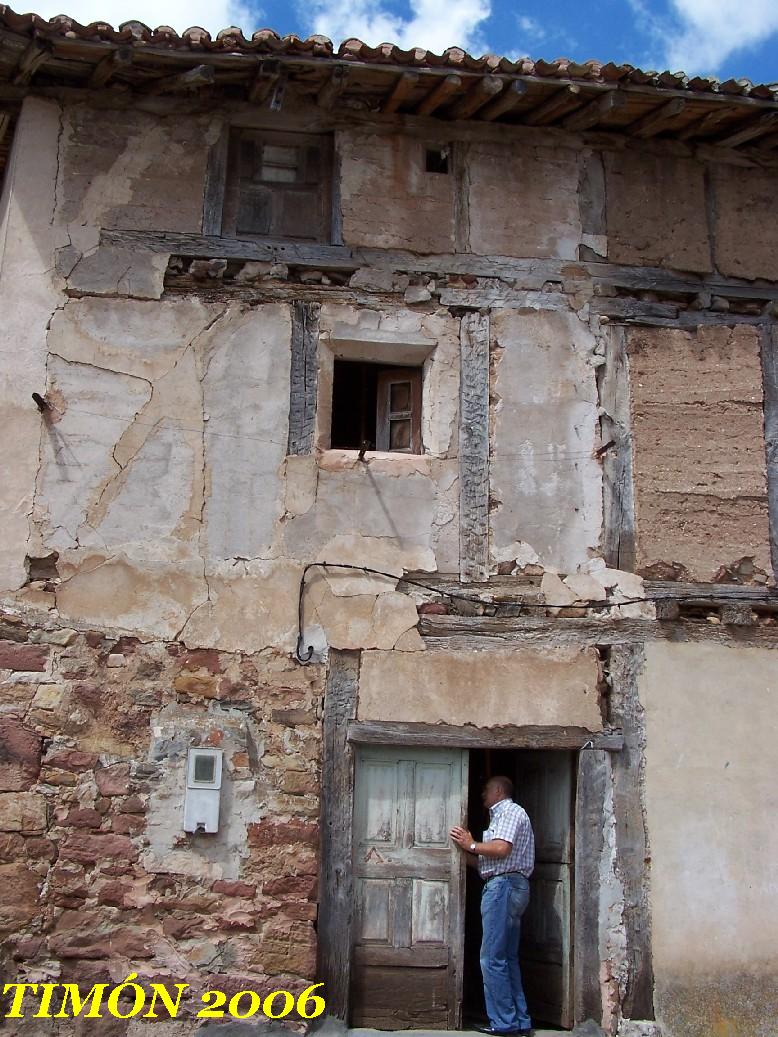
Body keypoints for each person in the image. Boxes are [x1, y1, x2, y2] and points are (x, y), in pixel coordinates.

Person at [450, 775, 535, 1037]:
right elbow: (491, 864)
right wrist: (460, 856)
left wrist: (471, 844)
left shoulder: (508, 811)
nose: (482, 795)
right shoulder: (502, 816)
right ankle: (519, 1021)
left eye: (486, 790)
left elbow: (501, 849)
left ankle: (504, 1022)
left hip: (504, 889)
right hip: (507, 885)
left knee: (491, 959)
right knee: (506, 958)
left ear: (498, 791)